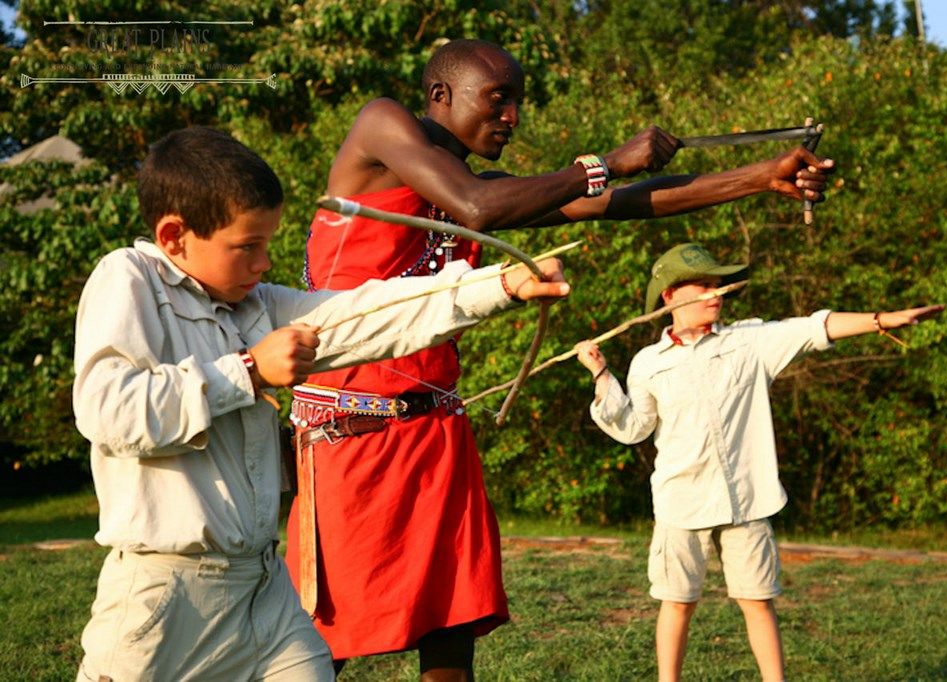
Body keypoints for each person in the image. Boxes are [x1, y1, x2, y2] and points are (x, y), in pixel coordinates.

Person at [285, 37, 837, 679]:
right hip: (349, 434)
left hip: (435, 431)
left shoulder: (479, 186)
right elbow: (479, 207)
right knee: (323, 646)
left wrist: (756, 178)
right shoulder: (384, 123)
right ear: (442, 95)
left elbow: (618, 204)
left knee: (451, 629)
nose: (513, 117)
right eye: (499, 99)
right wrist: (604, 161)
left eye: (518, 102)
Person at [71, 126, 569, 682]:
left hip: (261, 591)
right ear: (174, 236)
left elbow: (365, 314)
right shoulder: (129, 278)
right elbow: (106, 410)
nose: (263, 263)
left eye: (267, 243)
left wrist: (500, 285)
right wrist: (250, 371)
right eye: (246, 246)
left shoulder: (254, 305)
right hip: (164, 598)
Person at [574, 242, 943, 682]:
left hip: (746, 501)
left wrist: (883, 320)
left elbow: (814, 328)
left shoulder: (749, 342)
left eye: (719, 286)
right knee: (677, 603)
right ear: (670, 296)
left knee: (757, 600)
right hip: (680, 503)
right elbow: (633, 427)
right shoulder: (648, 363)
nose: (716, 295)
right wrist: (601, 375)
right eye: (704, 285)